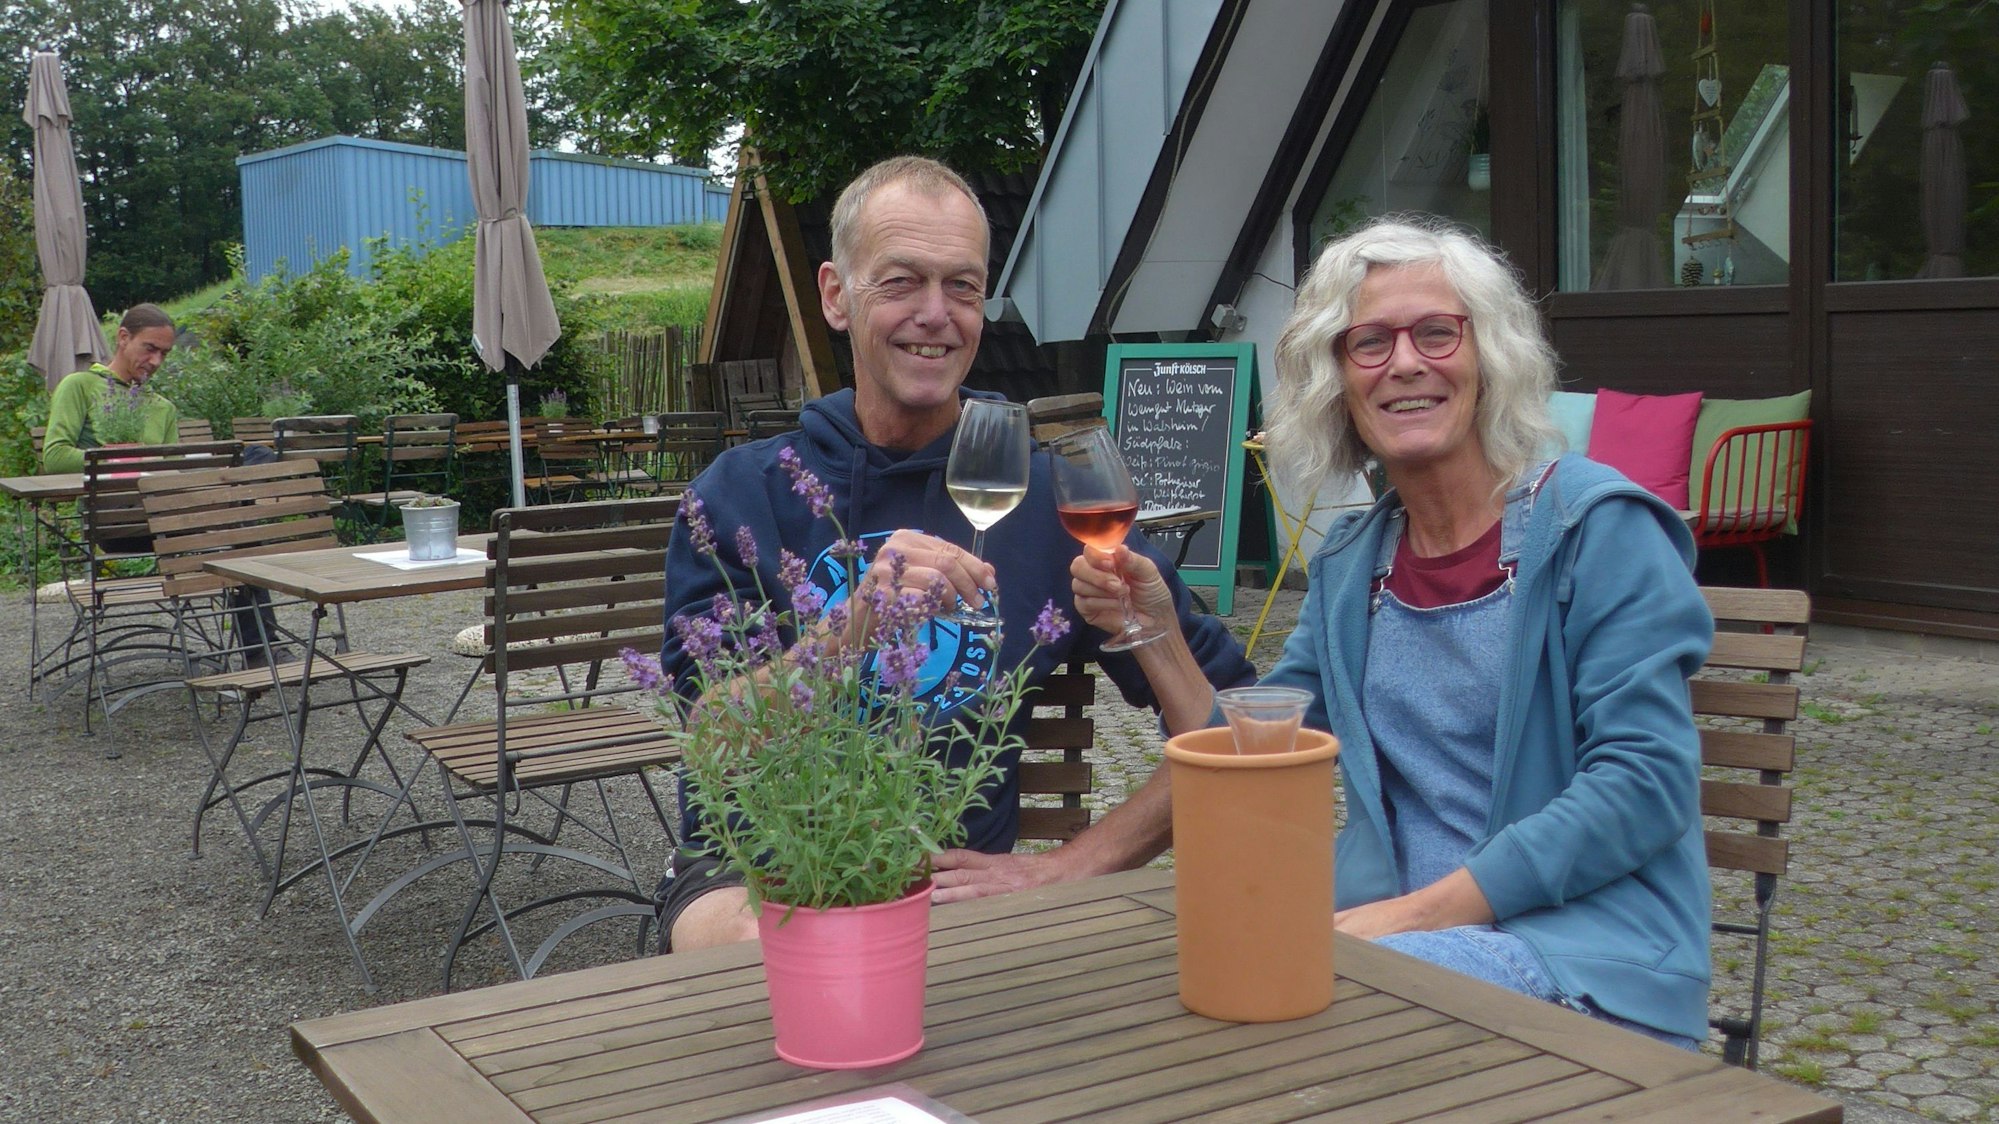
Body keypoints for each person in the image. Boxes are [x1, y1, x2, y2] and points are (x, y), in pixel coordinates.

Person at [1071, 216, 1714, 1048]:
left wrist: (1400, 923)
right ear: (1336, 384)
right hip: (1400, 946)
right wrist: (1154, 631)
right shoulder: (1354, 563)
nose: (1405, 363)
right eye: (1367, 343)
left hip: (1580, 953)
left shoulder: (1599, 529)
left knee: (1287, 1005)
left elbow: (1643, 785)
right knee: (1197, 990)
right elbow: (1255, 766)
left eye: (1436, 333)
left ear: (1490, 357)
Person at [657, 155, 1256, 951]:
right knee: (741, 944)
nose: (935, 313)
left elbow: (1239, 730)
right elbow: (714, 742)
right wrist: (847, 636)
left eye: (962, 286)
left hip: (946, 896)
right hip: (755, 878)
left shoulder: (1049, 500)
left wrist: (1069, 867)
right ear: (836, 295)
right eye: (901, 281)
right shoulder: (740, 494)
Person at [41, 304, 181, 475]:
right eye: (150, 349)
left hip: (150, 500)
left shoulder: (164, 407)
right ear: (123, 338)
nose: (156, 361)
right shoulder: (80, 386)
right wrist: (124, 462)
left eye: (164, 353)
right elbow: (56, 457)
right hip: (95, 498)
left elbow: (174, 470)